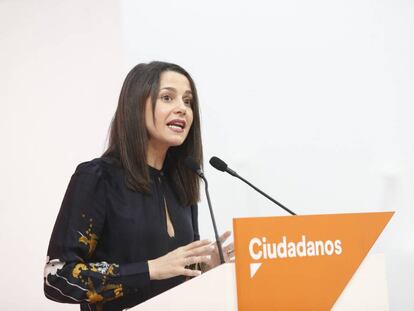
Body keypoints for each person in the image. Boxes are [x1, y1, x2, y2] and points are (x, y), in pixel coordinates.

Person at [43, 61, 234, 311]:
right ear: (136, 105)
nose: (182, 109)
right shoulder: (98, 178)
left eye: (188, 101)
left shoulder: (182, 182)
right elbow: (58, 278)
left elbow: (170, 279)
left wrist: (204, 268)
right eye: (167, 97)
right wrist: (150, 269)